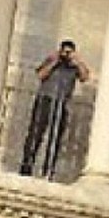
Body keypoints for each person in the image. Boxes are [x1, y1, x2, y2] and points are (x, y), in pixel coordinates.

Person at [20, 40, 89, 179]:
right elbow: (40, 75)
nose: (66, 54)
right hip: (45, 99)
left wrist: (78, 62)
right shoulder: (51, 60)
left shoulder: (73, 67)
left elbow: (84, 77)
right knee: (35, 133)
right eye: (64, 51)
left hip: (62, 102)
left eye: (69, 52)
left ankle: (49, 167)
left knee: (56, 136)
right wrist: (54, 61)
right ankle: (27, 164)